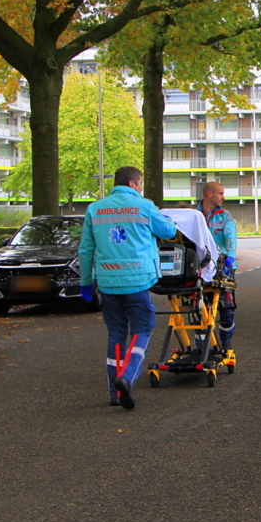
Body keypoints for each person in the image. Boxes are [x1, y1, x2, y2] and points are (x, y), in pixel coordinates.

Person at [79, 166, 176, 410]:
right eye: (140, 183)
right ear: (133, 183)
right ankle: (127, 375)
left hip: (108, 282)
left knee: (116, 334)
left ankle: (115, 392)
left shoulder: (95, 209)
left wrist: (85, 282)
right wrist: (167, 219)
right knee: (142, 329)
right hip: (137, 280)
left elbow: (86, 250)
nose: (141, 188)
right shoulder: (144, 206)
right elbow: (168, 231)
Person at [198, 182, 237, 364]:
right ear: (209, 194)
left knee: (226, 308)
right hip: (200, 268)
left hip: (223, 267)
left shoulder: (225, 215)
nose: (223, 197)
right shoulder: (194, 215)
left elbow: (231, 237)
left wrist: (231, 256)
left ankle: (226, 344)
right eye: (220, 193)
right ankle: (201, 348)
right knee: (199, 309)